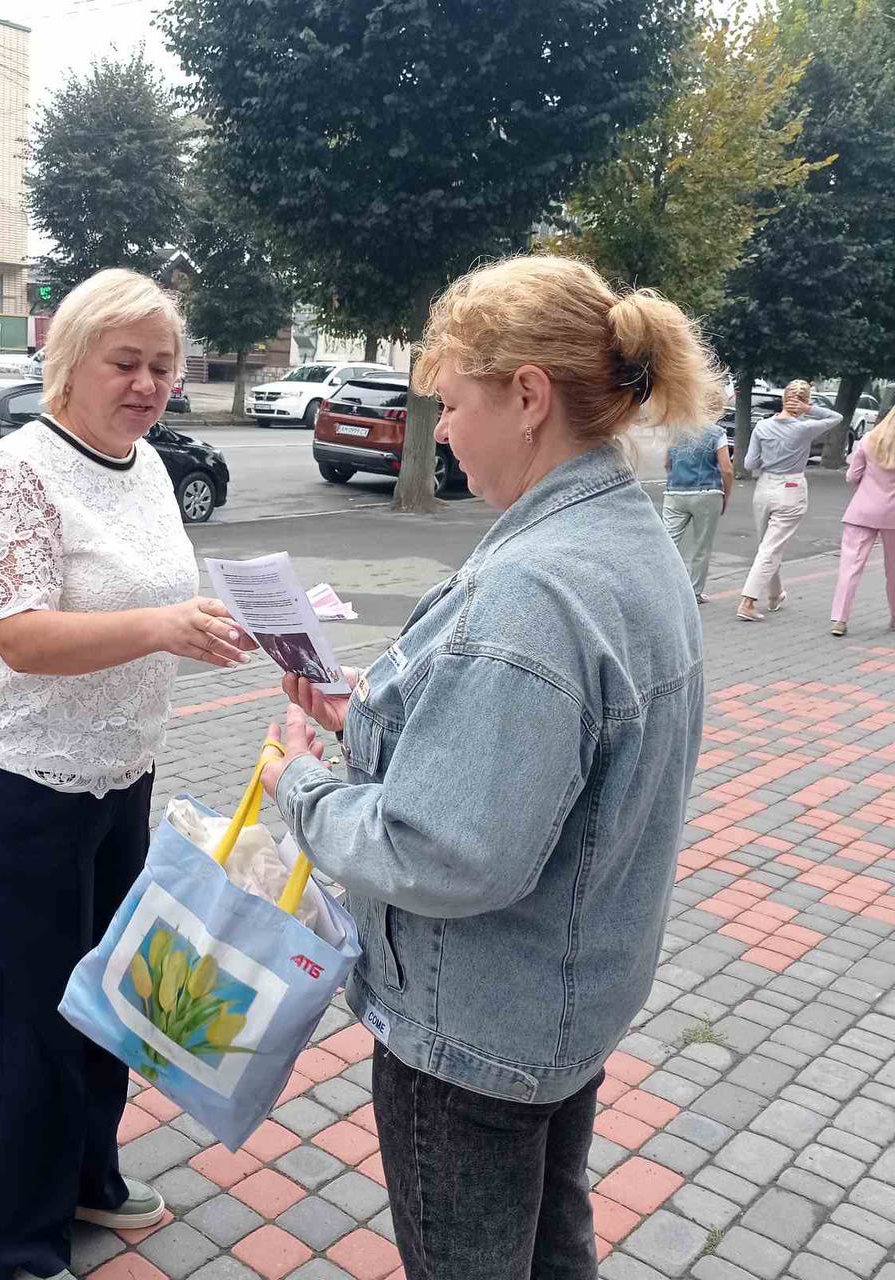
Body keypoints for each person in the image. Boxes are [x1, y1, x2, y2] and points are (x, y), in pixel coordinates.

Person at [260, 256, 723, 1280]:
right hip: (564, 1003)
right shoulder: (627, 538)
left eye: (450, 401)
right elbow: (548, 749)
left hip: (470, 1029)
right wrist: (369, 715)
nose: (439, 429)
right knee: (553, 1243)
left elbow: (443, 850)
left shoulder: (533, 590)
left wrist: (303, 782)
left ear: (525, 395)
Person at [0, 268, 255, 1280]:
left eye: (164, 365)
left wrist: (221, 619)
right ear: (67, 358)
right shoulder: (9, 472)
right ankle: (14, 1240)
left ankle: (87, 1177)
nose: (149, 383)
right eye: (126, 362)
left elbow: (164, 593)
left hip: (121, 771)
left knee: (113, 992)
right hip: (13, 776)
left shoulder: (147, 466)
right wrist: (161, 626)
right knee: (27, 1017)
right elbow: (21, 636)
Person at [736, 380, 842, 621]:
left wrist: (768, 463)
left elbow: (750, 464)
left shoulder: (762, 427)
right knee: (770, 549)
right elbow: (836, 417)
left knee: (767, 546)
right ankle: (748, 601)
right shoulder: (804, 429)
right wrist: (809, 410)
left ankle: (775, 594)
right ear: (803, 401)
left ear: (784, 398)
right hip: (791, 488)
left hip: (764, 487)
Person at [829, 408, 895, 636]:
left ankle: (840, 619)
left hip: (862, 510)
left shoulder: (868, 440)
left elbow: (852, 476)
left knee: (850, 567)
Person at [662, 420, 733, 602]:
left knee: (668, 543)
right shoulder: (717, 433)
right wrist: (726, 495)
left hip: (675, 492)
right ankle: (694, 592)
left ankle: (665, 586)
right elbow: (726, 469)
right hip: (707, 492)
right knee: (702, 546)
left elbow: (666, 463)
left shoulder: (675, 429)